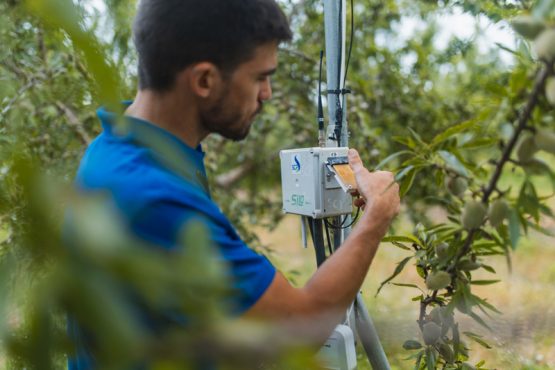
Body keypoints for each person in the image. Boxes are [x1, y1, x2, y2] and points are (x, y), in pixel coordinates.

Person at [70, 0, 400, 367]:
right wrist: (376, 217)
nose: (267, 94)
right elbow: (301, 326)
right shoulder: (151, 196)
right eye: (260, 77)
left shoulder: (127, 146)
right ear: (204, 80)